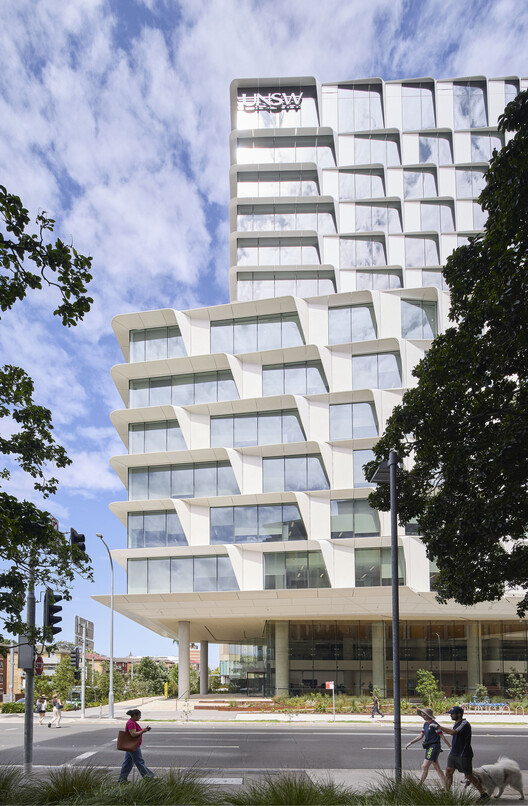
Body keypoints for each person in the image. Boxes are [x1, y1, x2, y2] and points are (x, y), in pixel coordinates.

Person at [440, 705, 489, 801]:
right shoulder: (457, 723)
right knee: (448, 772)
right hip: (454, 752)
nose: (451, 716)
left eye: (452, 714)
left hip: (464, 754)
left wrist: (439, 726)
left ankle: (483, 793)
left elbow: (453, 732)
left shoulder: (464, 723)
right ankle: (446, 793)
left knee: (468, 775)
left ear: (459, 714)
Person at [405, 706, 451, 786]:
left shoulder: (434, 724)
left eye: (424, 715)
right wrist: (410, 743)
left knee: (424, 766)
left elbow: (442, 736)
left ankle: (419, 785)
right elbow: (420, 736)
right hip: (429, 747)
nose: (423, 716)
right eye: (422, 715)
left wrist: (450, 746)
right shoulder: (425, 724)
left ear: (429, 715)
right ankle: (446, 786)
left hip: (434, 746)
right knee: (437, 768)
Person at [118, 709, 155, 783]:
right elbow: (133, 734)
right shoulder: (131, 723)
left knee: (128, 763)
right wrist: (142, 731)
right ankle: (149, 777)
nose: (140, 717)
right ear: (135, 716)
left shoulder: (132, 722)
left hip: (131, 746)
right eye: (139, 716)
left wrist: (144, 730)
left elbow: (135, 732)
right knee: (139, 762)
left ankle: (122, 780)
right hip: (133, 746)